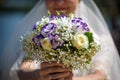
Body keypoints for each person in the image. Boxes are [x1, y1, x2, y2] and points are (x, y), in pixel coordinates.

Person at [1, 0, 120, 80]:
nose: (59, 3)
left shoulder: (99, 39)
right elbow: (24, 68)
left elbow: (100, 74)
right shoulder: (34, 36)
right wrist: (39, 74)